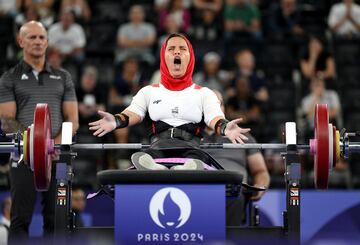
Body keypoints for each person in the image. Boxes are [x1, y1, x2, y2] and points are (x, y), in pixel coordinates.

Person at [89, 33, 250, 170]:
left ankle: (181, 169)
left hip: (191, 148)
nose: (176, 53)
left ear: (190, 57)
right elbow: (132, 113)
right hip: (158, 146)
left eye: (182, 49)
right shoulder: (148, 91)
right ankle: (158, 168)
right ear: (163, 57)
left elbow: (214, 118)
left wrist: (225, 128)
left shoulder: (204, 94)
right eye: (171, 49)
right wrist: (116, 121)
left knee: (197, 159)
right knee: (146, 157)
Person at [0, 21, 78, 241]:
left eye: (41, 37)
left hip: (58, 155)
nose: (37, 41)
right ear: (20, 41)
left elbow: (73, 120)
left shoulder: (63, 77)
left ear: (47, 41)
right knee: (20, 218)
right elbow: (7, 121)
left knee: (57, 218)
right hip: (22, 155)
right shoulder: (9, 78)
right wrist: (37, 145)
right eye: (32, 37)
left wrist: (53, 146)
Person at [202, 90, 269, 225]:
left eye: (218, 104)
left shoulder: (243, 137)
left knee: (234, 195)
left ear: (223, 109)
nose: (214, 109)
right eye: (208, 105)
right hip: (201, 191)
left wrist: (260, 186)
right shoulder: (189, 137)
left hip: (233, 192)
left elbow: (260, 171)